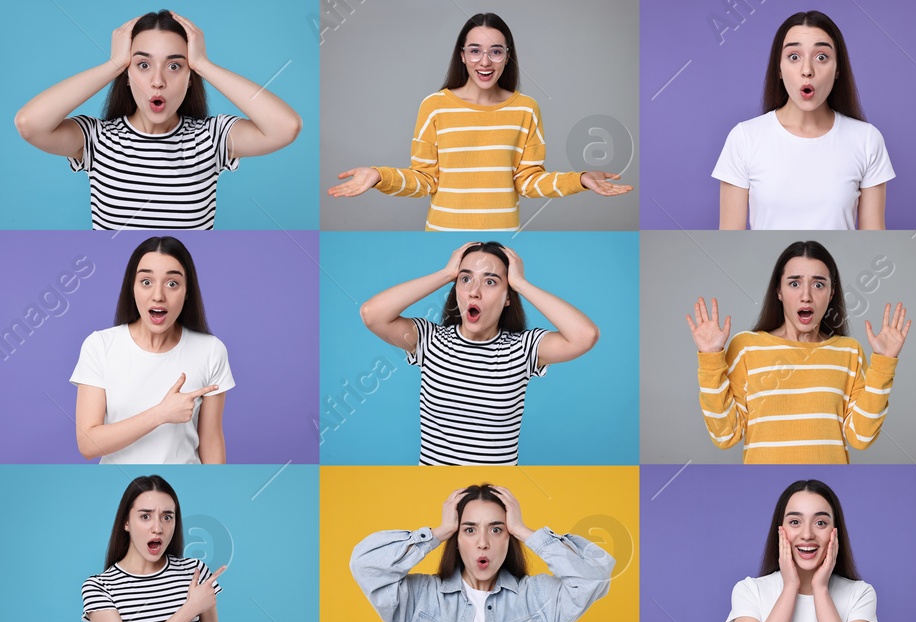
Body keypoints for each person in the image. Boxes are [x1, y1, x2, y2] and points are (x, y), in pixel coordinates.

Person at [327, 12, 631, 230]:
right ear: (462, 55)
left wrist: (581, 180)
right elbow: (425, 179)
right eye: (475, 51)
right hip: (442, 234)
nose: (484, 62)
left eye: (495, 52)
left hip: (504, 236)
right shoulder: (435, 106)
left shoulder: (526, 109)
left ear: (507, 56)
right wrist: (379, 176)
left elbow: (528, 180)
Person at [15, 10, 301, 230]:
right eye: (142, 65)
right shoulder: (97, 139)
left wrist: (203, 64)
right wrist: (113, 64)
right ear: (127, 76)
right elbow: (29, 124)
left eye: (175, 65)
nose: (157, 81)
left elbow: (286, 127)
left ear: (190, 78)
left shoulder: (211, 137)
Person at [353, 484, 614, 622]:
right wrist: (439, 532)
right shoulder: (421, 597)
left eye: (496, 529)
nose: (482, 543)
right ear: (456, 540)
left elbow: (595, 576)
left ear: (508, 539)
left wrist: (525, 531)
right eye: (469, 530)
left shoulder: (536, 599)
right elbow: (365, 565)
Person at [360, 241, 599, 464]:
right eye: (465, 279)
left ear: (508, 298)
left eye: (491, 281)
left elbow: (585, 336)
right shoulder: (430, 341)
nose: (474, 291)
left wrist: (520, 284)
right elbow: (372, 314)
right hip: (431, 487)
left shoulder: (523, 349)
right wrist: (446, 274)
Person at [688, 241, 910, 463]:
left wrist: (884, 363)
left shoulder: (849, 352)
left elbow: (861, 437)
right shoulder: (746, 347)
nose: (806, 296)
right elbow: (724, 435)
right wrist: (710, 359)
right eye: (794, 284)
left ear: (831, 293)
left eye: (819, 285)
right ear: (779, 291)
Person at [714, 11, 894, 230]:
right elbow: (730, 242)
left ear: (837, 69)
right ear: (778, 69)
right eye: (794, 56)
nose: (807, 70)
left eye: (821, 57)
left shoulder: (867, 140)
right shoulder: (744, 138)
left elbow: (873, 243)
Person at [72, 236, 233, 464]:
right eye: (146, 282)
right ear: (132, 288)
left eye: (172, 283)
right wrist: (161, 414)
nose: (158, 295)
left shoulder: (211, 350)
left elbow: (212, 441)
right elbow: (88, 444)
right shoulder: (99, 346)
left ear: (187, 291)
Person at [83, 475, 233, 622]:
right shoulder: (100, 586)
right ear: (126, 522)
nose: (158, 528)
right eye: (145, 516)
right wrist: (190, 608)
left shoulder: (194, 570)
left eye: (167, 517)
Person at [728, 480, 877, 622]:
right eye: (795, 522)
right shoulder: (749, 590)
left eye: (821, 523)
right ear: (780, 530)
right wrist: (791, 587)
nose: (807, 535)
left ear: (835, 532)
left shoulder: (860, 594)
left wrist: (820, 588)